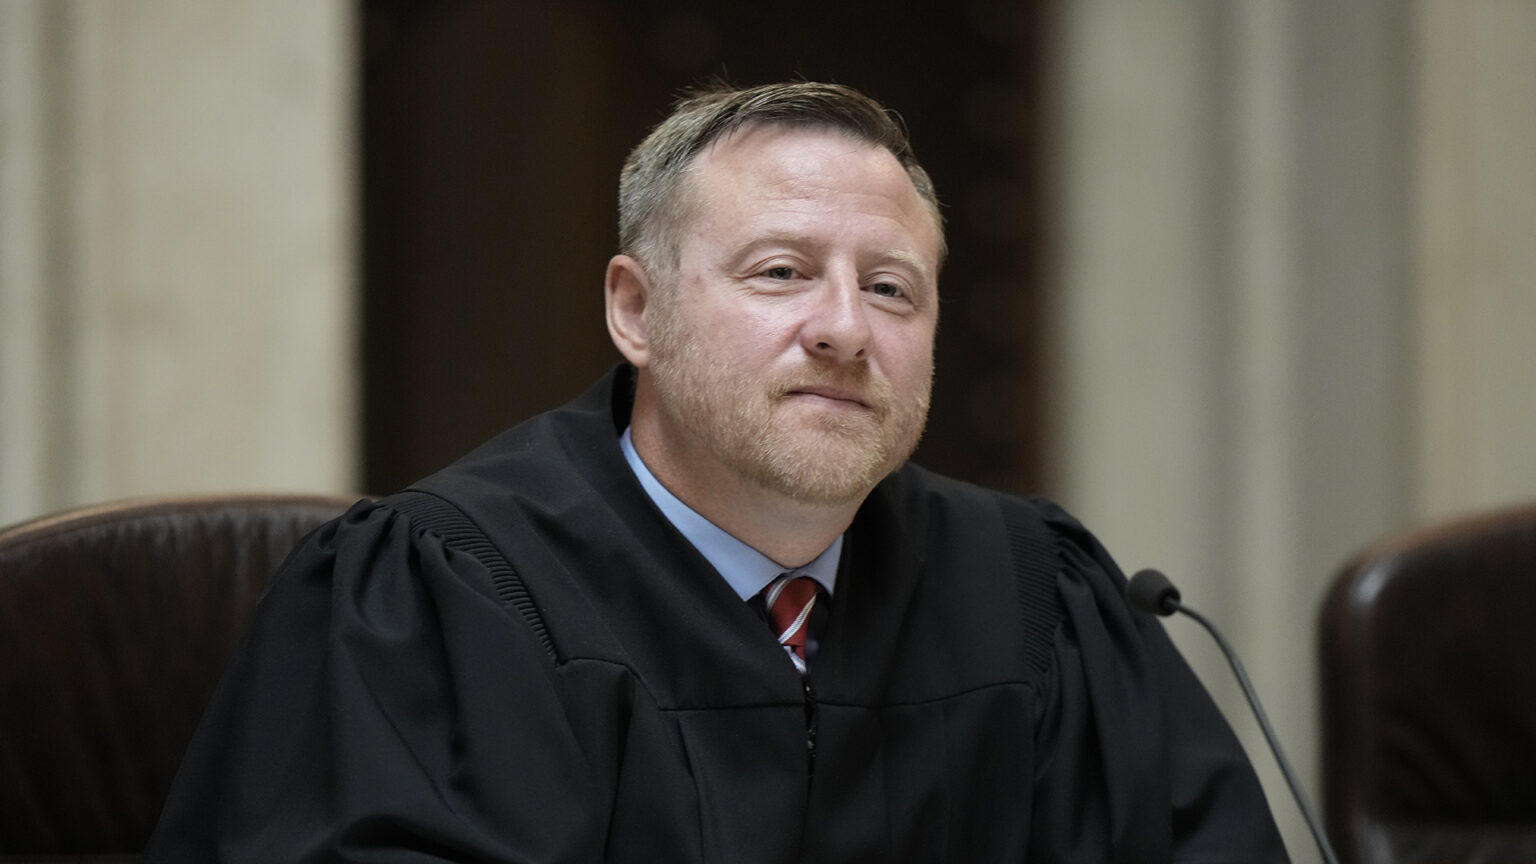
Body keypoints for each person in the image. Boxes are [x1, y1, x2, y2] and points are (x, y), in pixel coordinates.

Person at [146, 81, 1289, 863]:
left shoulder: (1039, 600)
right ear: (635, 312)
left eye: (891, 288)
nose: (844, 328)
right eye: (782, 271)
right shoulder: (440, 597)